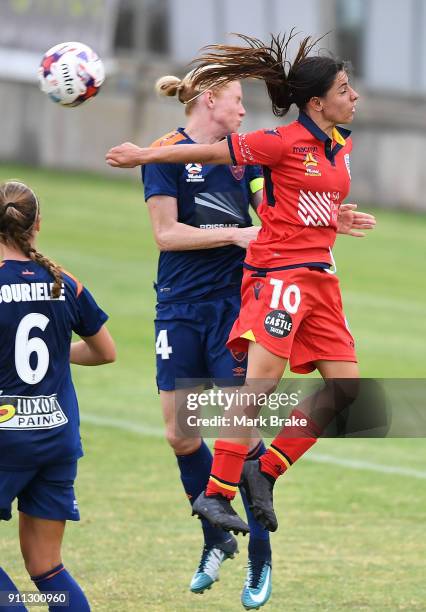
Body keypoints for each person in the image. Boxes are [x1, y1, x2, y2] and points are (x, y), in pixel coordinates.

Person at [106, 28, 375, 596]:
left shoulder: (336, 144)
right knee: (205, 420)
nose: (355, 95)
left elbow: (277, 202)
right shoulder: (271, 141)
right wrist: (144, 154)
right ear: (317, 101)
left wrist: (332, 219)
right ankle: (218, 508)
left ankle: (256, 487)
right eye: (346, 88)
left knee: (345, 394)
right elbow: (196, 178)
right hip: (229, 294)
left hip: (299, 282)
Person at [141, 70, 276, 609]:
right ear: (210, 99)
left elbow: (270, 215)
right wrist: (235, 233)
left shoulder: (246, 157)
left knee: (240, 438)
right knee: (180, 433)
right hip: (177, 308)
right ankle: (215, 538)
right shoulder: (165, 154)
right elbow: (165, 234)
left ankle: (261, 561)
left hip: (233, 311)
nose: (245, 111)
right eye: (239, 100)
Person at [0, 180, 116, 612]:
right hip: (56, 438)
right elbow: (106, 352)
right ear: (37, 225)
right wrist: (54, 352)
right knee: (47, 567)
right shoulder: (64, 282)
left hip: (6, 438)